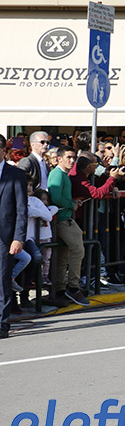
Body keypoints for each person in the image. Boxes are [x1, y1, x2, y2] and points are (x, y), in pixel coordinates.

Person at [47, 146, 90, 307]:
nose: (72, 161)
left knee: (63, 255)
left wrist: (72, 202)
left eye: (74, 158)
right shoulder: (57, 174)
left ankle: (60, 289)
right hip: (62, 220)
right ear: (59, 159)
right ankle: (73, 287)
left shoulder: (62, 174)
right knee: (77, 250)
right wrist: (72, 204)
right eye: (69, 157)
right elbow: (56, 197)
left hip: (64, 218)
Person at [0, 135, 28, 337]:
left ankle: (2, 323)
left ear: (4, 151)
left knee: (2, 281)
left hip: (4, 237)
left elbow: (21, 209)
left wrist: (18, 237)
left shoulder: (15, 174)